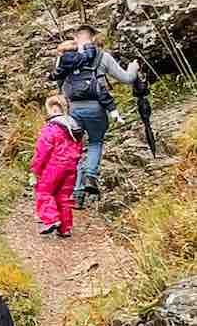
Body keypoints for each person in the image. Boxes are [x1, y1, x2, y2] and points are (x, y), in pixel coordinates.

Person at [52, 25, 141, 206]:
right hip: (97, 107)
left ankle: (76, 194)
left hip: (74, 109)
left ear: (75, 37)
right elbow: (126, 78)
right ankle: (90, 176)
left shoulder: (64, 58)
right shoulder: (102, 56)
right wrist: (133, 67)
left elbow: (59, 85)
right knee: (95, 142)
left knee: (76, 147)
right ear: (92, 38)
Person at [30, 96, 84, 241]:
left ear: (51, 108)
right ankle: (65, 228)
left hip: (54, 165)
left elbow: (42, 151)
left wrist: (35, 170)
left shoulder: (51, 127)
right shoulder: (74, 127)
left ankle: (51, 219)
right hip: (71, 166)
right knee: (64, 196)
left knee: (44, 191)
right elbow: (80, 147)